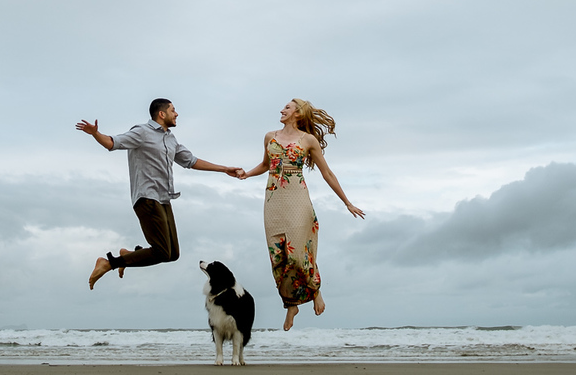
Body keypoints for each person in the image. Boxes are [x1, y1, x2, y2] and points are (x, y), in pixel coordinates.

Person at [76, 98, 244, 289]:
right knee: (163, 252)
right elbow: (112, 143)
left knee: (173, 254)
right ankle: (109, 263)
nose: (177, 113)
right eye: (173, 110)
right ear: (161, 114)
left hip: (164, 199)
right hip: (146, 197)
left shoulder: (170, 139)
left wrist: (224, 169)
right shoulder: (141, 132)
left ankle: (128, 255)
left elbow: (192, 161)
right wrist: (95, 133)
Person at [239, 98, 365, 330]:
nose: (281, 110)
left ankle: (315, 290)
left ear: (298, 113)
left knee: (298, 253)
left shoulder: (308, 140)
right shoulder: (270, 136)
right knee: (279, 256)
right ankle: (291, 305)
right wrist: (246, 174)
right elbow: (266, 164)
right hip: (273, 200)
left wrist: (347, 202)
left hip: (297, 198)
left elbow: (327, 173)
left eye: (287, 107)